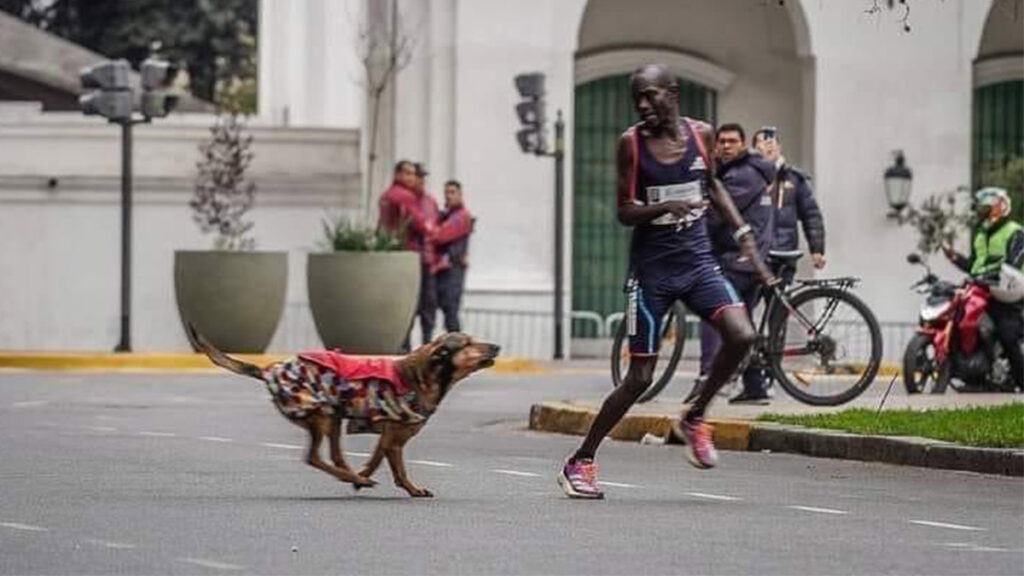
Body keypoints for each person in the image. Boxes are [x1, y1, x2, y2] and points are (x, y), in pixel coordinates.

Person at [557, 64, 776, 500]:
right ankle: (580, 460)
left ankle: (694, 417)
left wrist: (743, 235)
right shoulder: (630, 145)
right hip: (651, 275)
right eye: (636, 97)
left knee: (742, 334)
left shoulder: (702, 135)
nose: (643, 105)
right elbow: (623, 211)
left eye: (651, 95)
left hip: (697, 265)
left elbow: (713, 186)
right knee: (640, 378)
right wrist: (661, 210)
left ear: (672, 95)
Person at [697, 123, 777, 405]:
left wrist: (694, 229)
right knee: (743, 322)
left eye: (732, 141)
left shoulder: (744, 174)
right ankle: (755, 386)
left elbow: (718, 214)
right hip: (745, 258)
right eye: (722, 142)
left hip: (741, 258)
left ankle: (707, 375)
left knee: (712, 311)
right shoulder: (739, 171)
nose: (726, 146)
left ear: (743, 145)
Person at [943, 187, 1023, 391]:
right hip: (979, 289)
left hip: (1006, 292)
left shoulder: (1014, 230)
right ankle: (971, 372)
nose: (985, 207)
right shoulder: (981, 234)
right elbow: (974, 266)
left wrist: (1000, 273)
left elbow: (1015, 261)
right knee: (963, 320)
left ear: (1002, 206)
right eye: (984, 204)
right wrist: (955, 258)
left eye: (991, 203)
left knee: (1007, 334)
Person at [752, 126, 826, 284]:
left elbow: (811, 215)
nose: (768, 146)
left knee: (779, 303)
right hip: (757, 254)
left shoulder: (794, 179)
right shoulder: (750, 178)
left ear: (779, 146)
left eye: (771, 142)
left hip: (784, 253)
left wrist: (817, 249)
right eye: (762, 142)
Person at [431, 180, 474, 333]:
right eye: (446, 193)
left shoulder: (461, 216)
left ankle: (456, 346)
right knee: (440, 307)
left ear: (460, 195)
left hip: (453, 268)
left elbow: (440, 235)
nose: (448, 196)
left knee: (450, 310)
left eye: (452, 192)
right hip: (442, 269)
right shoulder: (447, 215)